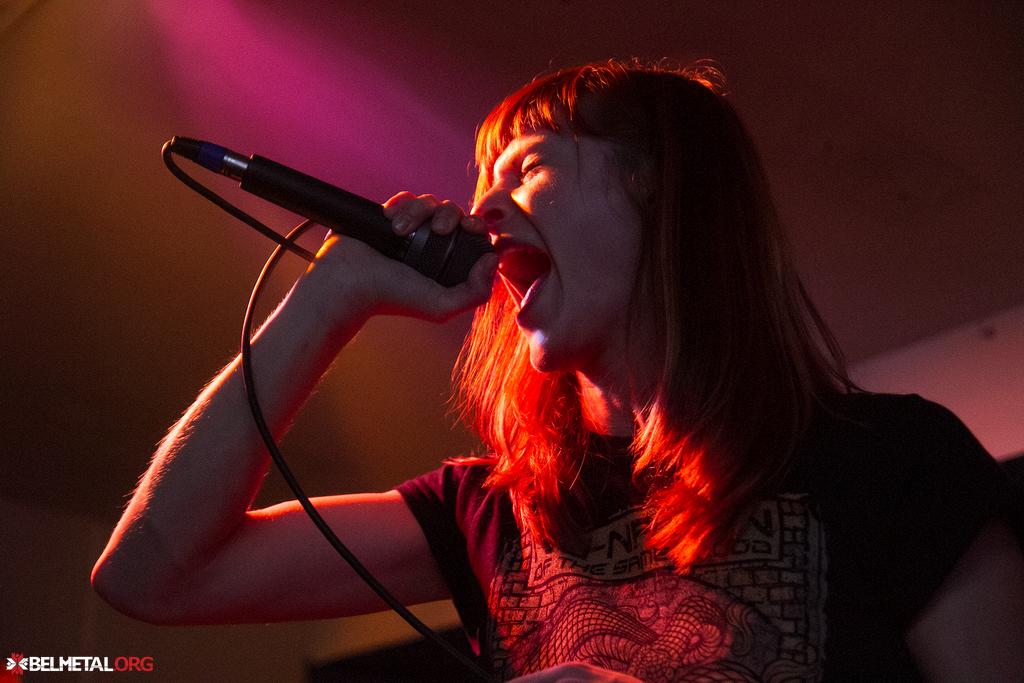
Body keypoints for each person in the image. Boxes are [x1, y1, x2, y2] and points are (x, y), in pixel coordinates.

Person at [92, 60, 1024, 681]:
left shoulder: (898, 461)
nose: (482, 209)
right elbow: (152, 576)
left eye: (525, 168)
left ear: (663, 194)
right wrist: (328, 299)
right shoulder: (489, 511)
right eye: (483, 182)